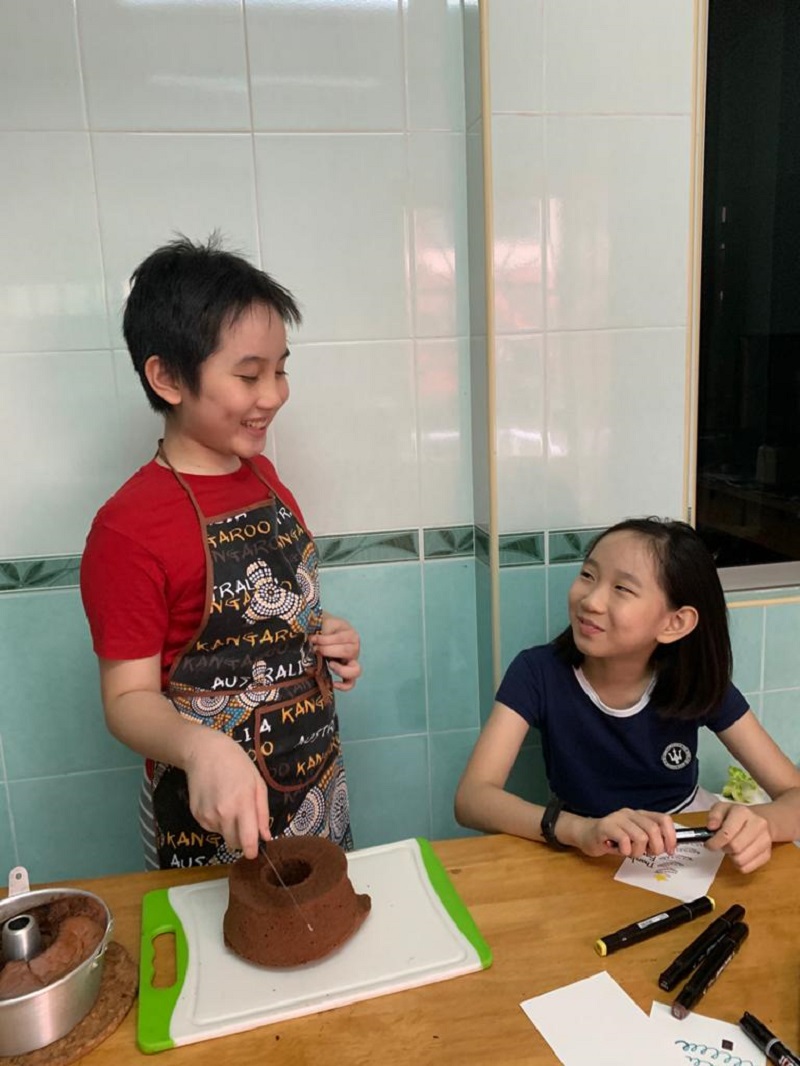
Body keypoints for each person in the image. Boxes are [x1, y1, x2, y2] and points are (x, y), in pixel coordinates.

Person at [81, 234, 361, 870]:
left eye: (281, 369)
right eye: (248, 374)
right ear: (168, 377)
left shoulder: (265, 478)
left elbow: (267, 614)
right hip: (205, 817)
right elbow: (126, 701)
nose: (275, 394)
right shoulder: (128, 530)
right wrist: (201, 747)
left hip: (315, 782)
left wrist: (320, 634)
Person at [454, 517, 800, 874]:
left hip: (688, 848)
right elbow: (472, 798)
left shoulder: (694, 680)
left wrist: (764, 824)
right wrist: (579, 829)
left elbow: (794, 794)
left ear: (674, 623)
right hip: (582, 846)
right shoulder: (537, 672)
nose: (591, 600)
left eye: (622, 589)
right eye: (588, 575)